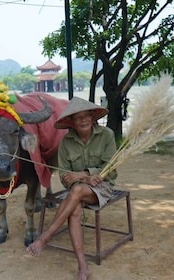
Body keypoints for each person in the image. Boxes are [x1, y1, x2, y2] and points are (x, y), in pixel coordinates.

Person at [27, 97, 117, 280]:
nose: (83, 120)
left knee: (75, 193)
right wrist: (81, 179)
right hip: (77, 190)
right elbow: (64, 176)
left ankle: (45, 237)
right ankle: (83, 267)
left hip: (104, 187)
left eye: (87, 116)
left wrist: (83, 174)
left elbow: (111, 169)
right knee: (74, 206)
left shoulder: (107, 135)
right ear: (71, 122)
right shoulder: (66, 142)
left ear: (93, 118)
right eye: (78, 117)